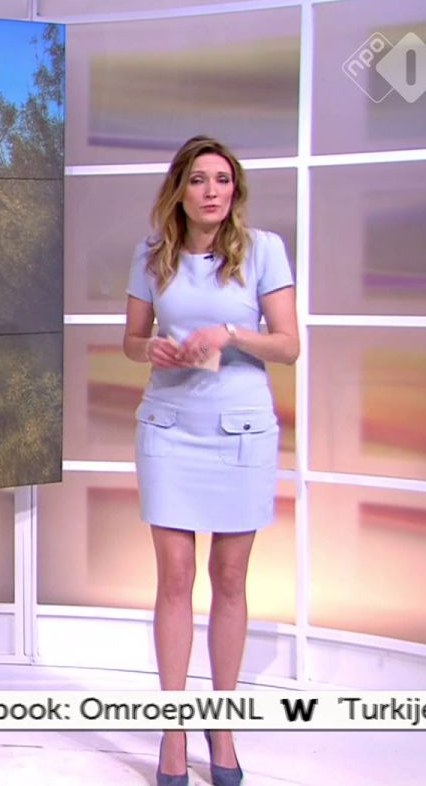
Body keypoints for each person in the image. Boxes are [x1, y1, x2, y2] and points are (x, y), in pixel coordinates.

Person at [122, 135, 299, 786]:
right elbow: (130, 341)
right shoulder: (152, 254)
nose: (212, 191)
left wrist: (230, 334)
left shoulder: (263, 250)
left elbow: (289, 346)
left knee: (229, 579)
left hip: (239, 429)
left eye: (222, 179)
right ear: (180, 190)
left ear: (235, 189)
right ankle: (172, 731)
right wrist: (151, 350)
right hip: (170, 428)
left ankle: (220, 725)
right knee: (174, 580)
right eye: (199, 179)